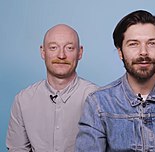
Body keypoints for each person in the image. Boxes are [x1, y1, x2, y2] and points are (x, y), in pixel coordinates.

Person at [75, 10, 155, 151]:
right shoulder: (98, 103)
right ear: (120, 52)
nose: (143, 52)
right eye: (133, 44)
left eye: (152, 43)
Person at [6, 24, 98, 152]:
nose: (61, 55)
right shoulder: (23, 100)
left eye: (69, 48)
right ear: (43, 52)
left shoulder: (98, 98)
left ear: (80, 52)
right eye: (53, 47)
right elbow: (17, 149)